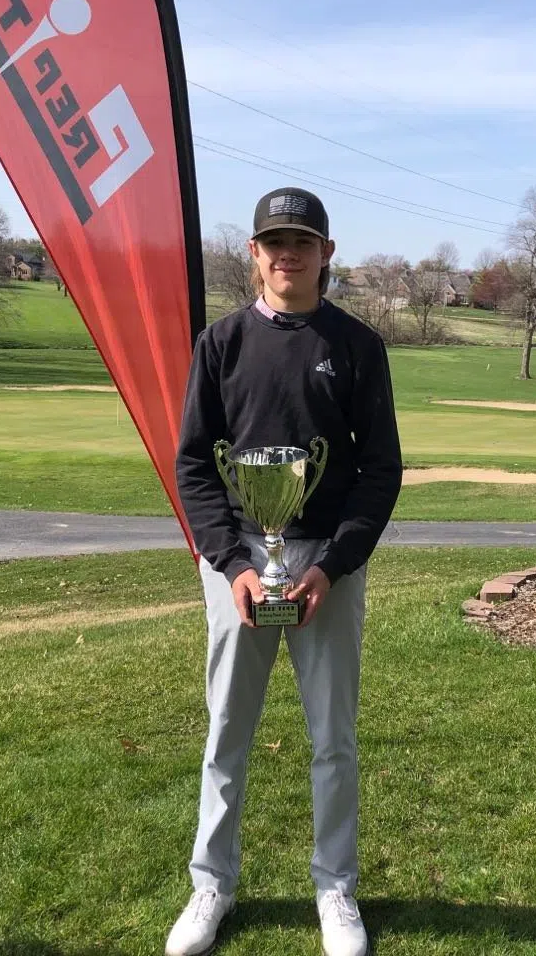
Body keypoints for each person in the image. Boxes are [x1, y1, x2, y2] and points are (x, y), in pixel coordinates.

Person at [167, 187, 402, 956]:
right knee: (227, 731)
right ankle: (213, 885)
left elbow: (379, 471)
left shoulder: (358, 346)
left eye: (302, 241)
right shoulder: (222, 343)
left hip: (326, 566)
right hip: (240, 562)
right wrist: (231, 563)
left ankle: (335, 887)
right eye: (274, 241)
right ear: (254, 253)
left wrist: (334, 565)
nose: (287, 253)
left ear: (326, 253)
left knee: (332, 737)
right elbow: (195, 465)